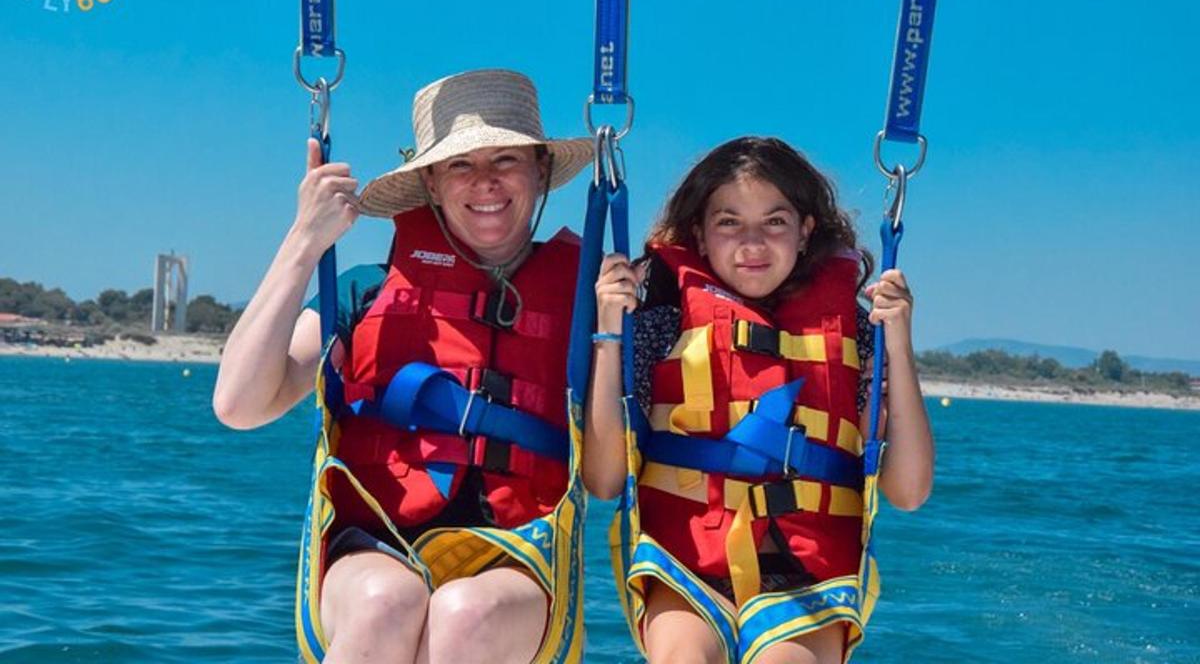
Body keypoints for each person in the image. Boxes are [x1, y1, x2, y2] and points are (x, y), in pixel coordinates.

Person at [212, 69, 595, 664]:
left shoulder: (591, 302)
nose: (485, 182)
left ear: (541, 170)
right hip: (375, 541)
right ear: (431, 185)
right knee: (385, 601)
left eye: (506, 159)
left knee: (465, 614)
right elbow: (239, 404)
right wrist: (304, 242)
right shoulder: (368, 292)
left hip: (519, 553)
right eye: (460, 165)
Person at [583, 136, 934, 664]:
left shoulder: (856, 337)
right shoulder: (658, 326)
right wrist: (611, 330)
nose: (752, 243)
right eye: (729, 222)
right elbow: (605, 480)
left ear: (804, 231)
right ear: (699, 234)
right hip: (685, 564)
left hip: (809, 574)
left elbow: (907, 491)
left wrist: (899, 341)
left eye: (774, 222)